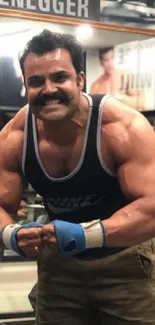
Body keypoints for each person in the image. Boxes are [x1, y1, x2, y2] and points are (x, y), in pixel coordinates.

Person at [0, 30, 155, 325]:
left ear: (80, 80)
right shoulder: (15, 136)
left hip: (124, 262)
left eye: (60, 78)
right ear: (25, 86)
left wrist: (87, 235)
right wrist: (11, 235)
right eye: (36, 81)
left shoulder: (122, 126)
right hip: (60, 267)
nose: (48, 89)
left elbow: (152, 209)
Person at [90, 46, 145, 110]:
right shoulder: (96, 85)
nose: (110, 63)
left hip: (126, 118)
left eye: (112, 58)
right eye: (106, 60)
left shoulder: (126, 76)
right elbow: (91, 109)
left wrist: (121, 99)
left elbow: (141, 102)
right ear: (101, 62)